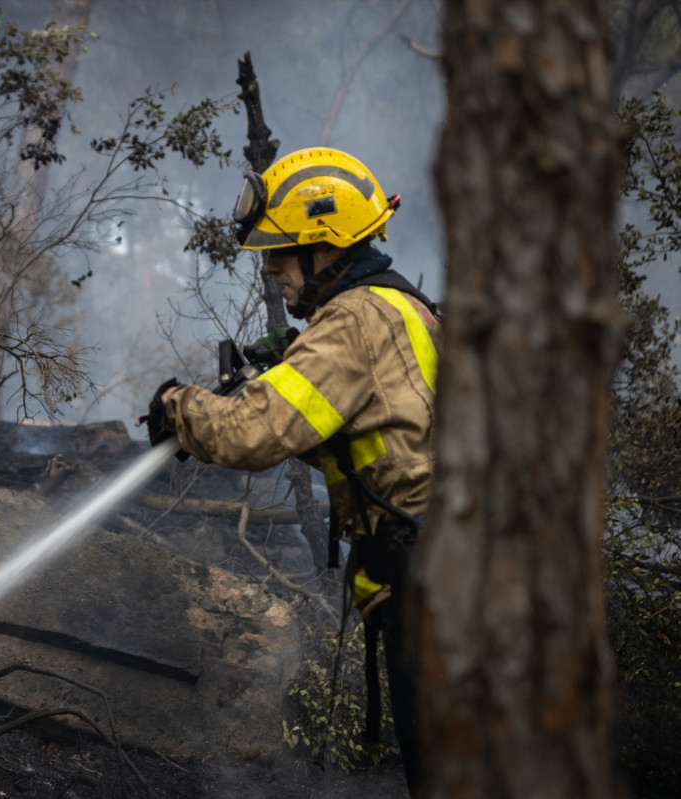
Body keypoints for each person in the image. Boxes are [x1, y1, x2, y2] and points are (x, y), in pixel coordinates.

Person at [144, 147, 439, 796]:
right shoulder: (404, 308)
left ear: (327, 246)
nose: (271, 267)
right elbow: (374, 444)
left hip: (435, 586)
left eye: (283, 249)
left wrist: (178, 408)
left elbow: (255, 433)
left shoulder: (353, 320)